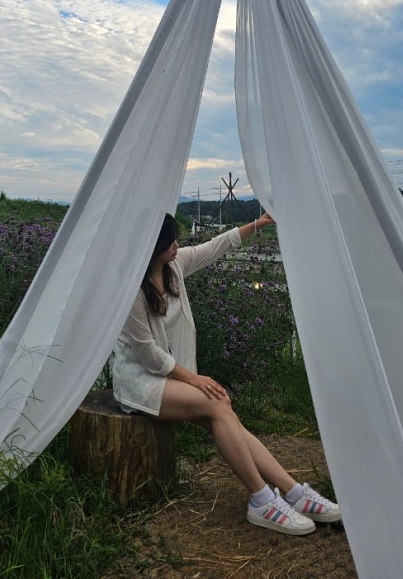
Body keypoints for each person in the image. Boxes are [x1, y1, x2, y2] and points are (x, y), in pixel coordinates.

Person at [113, 212, 341, 535]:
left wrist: (258, 225)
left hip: (167, 376)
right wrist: (195, 379)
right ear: (151, 248)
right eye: (170, 242)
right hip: (139, 380)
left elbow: (215, 246)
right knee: (220, 404)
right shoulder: (131, 290)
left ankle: (292, 492)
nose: (178, 246)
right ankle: (262, 498)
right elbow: (148, 355)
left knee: (224, 414)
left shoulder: (173, 267)